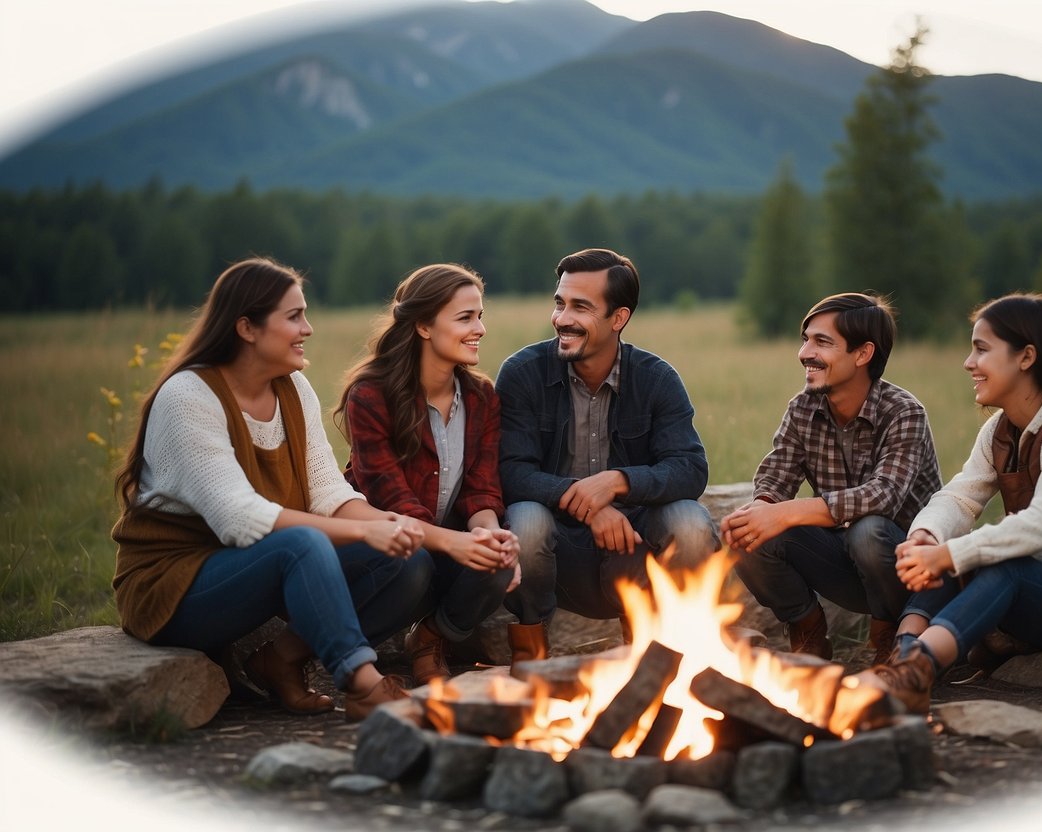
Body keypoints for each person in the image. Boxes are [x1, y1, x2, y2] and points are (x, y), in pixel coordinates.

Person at [112, 257, 428, 722]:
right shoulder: (187, 397)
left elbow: (328, 494)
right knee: (302, 543)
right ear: (247, 328)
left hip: (254, 566)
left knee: (409, 561)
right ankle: (363, 685)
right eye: (294, 316)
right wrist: (364, 534)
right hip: (174, 587)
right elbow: (239, 519)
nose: (309, 328)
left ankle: (280, 660)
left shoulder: (293, 388)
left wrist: (407, 531)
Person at [857, 293, 1042, 713]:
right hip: (1035, 586)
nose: (968, 363)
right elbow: (960, 494)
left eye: (981, 349)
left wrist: (950, 554)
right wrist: (926, 536)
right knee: (955, 552)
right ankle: (902, 658)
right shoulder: (1000, 430)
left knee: (987, 560)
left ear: (1026, 357)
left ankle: (919, 668)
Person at [496, 247, 719, 662]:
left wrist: (618, 482)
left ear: (619, 318)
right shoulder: (522, 373)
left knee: (690, 524)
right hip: (556, 542)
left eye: (581, 307)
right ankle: (530, 652)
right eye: (560, 303)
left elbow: (690, 468)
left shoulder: (657, 378)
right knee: (525, 521)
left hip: (631, 539)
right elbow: (509, 471)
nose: (563, 318)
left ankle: (654, 648)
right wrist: (587, 503)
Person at [721, 292, 942, 660]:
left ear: (862, 354)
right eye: (805, 339)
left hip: (907, 568)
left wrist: (786, 513)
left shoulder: (904, 412)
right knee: (747, 529)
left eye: (822, 342)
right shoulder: (804, 406)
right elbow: (775, 477)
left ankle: (889, 631)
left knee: (868, 531)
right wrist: (760, 511)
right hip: (844, 563)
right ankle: (807, 628)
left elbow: (883, 496)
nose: (805, 352)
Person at [336, 264, 518, 684]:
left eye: (480, 315)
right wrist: (457, 544)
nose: (480, 328)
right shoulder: (369, 395)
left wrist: (488, 534)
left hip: (442, 545)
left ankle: (431, 638)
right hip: (384, 552)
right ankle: (319, 649)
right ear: (423, 326)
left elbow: (482, 491)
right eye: (465, 318)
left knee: (499, 562)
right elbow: (392, 501)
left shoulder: (481, 397)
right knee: (414, 563)